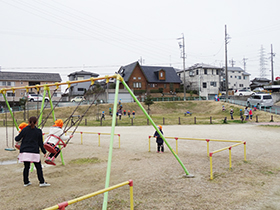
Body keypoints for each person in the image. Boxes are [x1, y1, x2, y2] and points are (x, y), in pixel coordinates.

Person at [15, 116, 50, 187]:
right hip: (34, 151)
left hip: (25, 151)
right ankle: (41, 182)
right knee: (38, 167)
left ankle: (26, 182)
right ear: (36, 122)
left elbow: (17, 139)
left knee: (26, 167)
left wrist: (20, 133)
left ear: (28, 122)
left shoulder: (24, 130)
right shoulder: (38, 131)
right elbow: (40, 143)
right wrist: (44, 151)